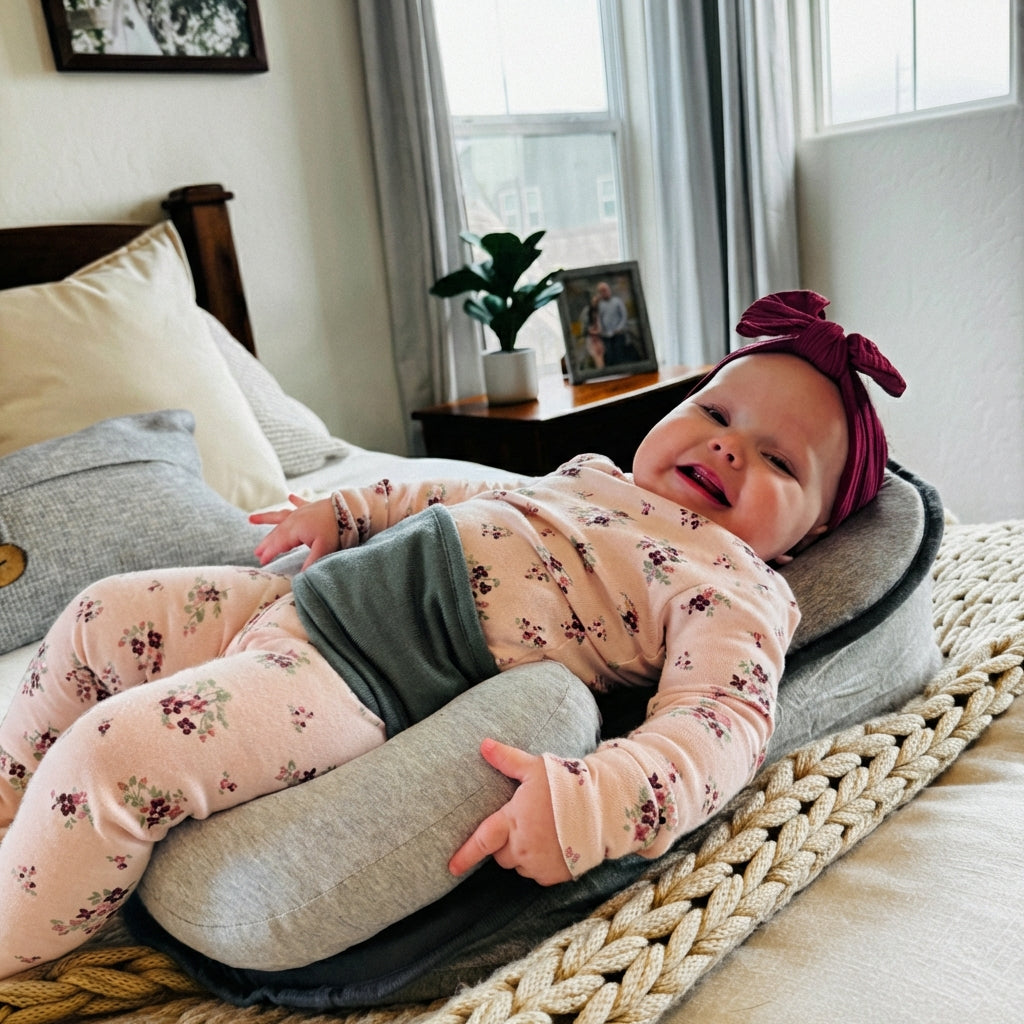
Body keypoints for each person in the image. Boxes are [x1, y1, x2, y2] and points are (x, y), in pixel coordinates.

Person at [0, 291, 905, 977]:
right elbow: (456, 493)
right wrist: (346, 509)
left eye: (779, 461)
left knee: (115, 758)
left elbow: (720, 725)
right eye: (715, 413)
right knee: (98, 614)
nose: (730, 447)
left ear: (814, 531)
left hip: (357, 682)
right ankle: (8, 808)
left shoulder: (735, 584)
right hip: (299, 598)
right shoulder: (592, 476)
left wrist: (601, 802)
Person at [595, 281, 629, 365]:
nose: (604, 293)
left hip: (618, 333)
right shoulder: (600, 305)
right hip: (606, 335)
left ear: (609, 290)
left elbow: (624, 316)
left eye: (605, 290)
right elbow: (598, 319)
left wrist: (619, 328)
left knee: (620, 355)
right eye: (601, 291)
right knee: (609, 356)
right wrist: (601, 330)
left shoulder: (617, 301)